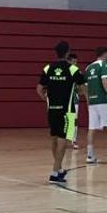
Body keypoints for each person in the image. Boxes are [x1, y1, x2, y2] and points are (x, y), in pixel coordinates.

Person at [36, 41, 85, 184]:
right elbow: (82, 88)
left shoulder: (47, 68)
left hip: (52, 110)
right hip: (68, 111)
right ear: (68, 52)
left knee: (55, 138)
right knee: (64, 140)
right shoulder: (72, 69)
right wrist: (85, 97)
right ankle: (54, 171)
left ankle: (59, 171)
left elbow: (39, 89)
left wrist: (46, 98)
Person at [67, 53, 81, 150]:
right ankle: (67, 140)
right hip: (65, 100)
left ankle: (73, 140)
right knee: (67, 121)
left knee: (74, 120)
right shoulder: (64, 71)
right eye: (74, 61)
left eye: (76, 62)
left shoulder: (77, 72)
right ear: (69, 61)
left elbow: (80, 88)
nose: (75, 63)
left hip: (74, 100)